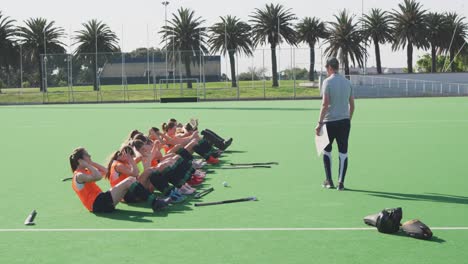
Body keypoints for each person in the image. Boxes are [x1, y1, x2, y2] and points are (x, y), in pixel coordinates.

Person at [69, 147, 169, 213]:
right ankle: (155, 203)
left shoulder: (85, 171)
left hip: (101, 200)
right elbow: (98, 176)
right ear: (80, 160)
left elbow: (105, 171)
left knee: (130, 180)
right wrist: (87, 164)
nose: (90, 156)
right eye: (87, 155)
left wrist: (91, 163)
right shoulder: (79, 175)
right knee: (129, 180)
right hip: (98, 204)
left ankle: (155, 202)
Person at [315, 57, 355, 191]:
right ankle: (341, 183)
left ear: (330, 68)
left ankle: (329, 181)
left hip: (329, 122)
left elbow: (325, 104)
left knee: (327, 150)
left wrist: (319, 123)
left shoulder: (327, 82)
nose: (326, 70)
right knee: (343, 152)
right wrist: (347, 119)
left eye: (326, 68)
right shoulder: (347, 82)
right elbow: (352, 105)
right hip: (344, 122)